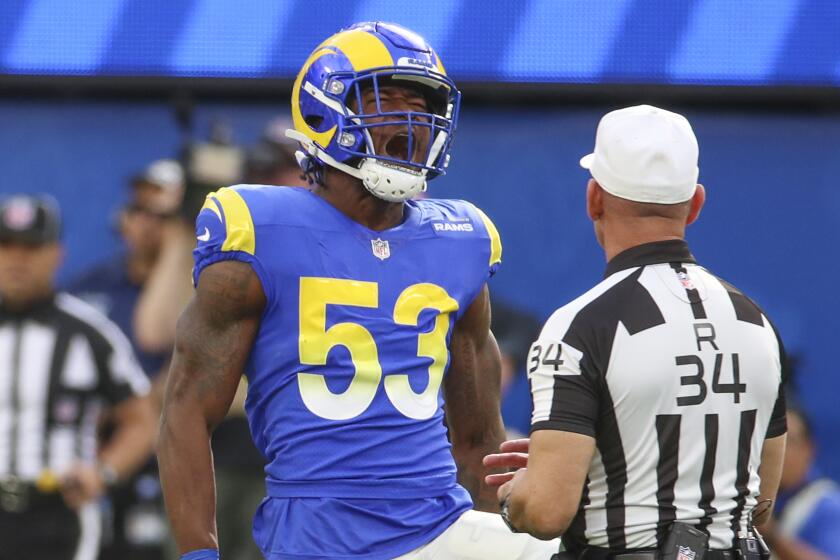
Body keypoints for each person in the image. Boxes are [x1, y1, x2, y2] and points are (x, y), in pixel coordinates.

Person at [158, 21, 559, 560]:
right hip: (320, 534)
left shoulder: (461, 239)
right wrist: (198, 553)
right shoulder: (258, 229)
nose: (409, 120)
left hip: (438, 523)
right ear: (325, 110)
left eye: (421, 104)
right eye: (384, 99)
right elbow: (186, 408)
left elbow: (478, 442)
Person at [484, 105, 788, 559]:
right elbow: (757, 504)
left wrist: (516, 494)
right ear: (696, 204)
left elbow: (546, 512)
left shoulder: (580, 327)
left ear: (594, 199)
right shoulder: (754, 321)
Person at [0, 194, 156, 560]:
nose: (16, 259)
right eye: (6, 246)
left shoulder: (89, 333)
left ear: (56, 254)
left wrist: (104, 473)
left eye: (31, 247)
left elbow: (142, 420)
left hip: (59, 514)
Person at [69, 158, 186, 559]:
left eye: (161, 215)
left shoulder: (200, 289)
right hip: (98, 444)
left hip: (171, 448)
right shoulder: (92, 287)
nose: (146, 223)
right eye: (138, 209)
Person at [762, 408, 840, 559]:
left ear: (808, 448)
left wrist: (771, 534)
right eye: (770, 440)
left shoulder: (826, 505)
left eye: (788, 441)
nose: (779, 451)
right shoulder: (753, 495)